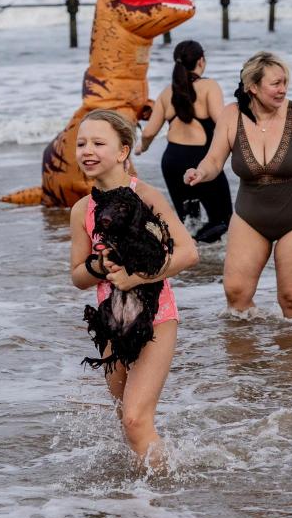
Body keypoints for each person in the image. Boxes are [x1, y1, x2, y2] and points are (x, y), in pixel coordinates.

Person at [69, 109, 199, 468]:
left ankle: (164, 490)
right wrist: (99, 267)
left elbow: (188, 253)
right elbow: (77, 276)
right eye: (81, 144)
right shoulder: (82, 209)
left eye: (98, 143)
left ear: (123, 151)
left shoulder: (146, 195)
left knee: (135, 420)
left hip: (156, 316)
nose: (87, 150)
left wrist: (138, 277)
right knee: (126, 418)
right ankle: (142, 488)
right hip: (111, 321)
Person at [184, 51, 292, 319]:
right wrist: (200, 172)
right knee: (236, 294)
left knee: (291, 298)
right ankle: (250, 345)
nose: (283, 89)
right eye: (276, 83)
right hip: (250, 217)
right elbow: (214, 160)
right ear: (253, 87)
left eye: (285, 82)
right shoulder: (231, 115)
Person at [139, 40, 233, 243]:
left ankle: (191, 254)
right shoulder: (209, 86)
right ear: (201, 61)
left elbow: (148, 133)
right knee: (223, 220)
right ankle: (201, 249)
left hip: (172, 162)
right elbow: (222, 122)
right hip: (202, 161)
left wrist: (141, 148)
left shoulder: (166, 93)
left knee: (190, 221)